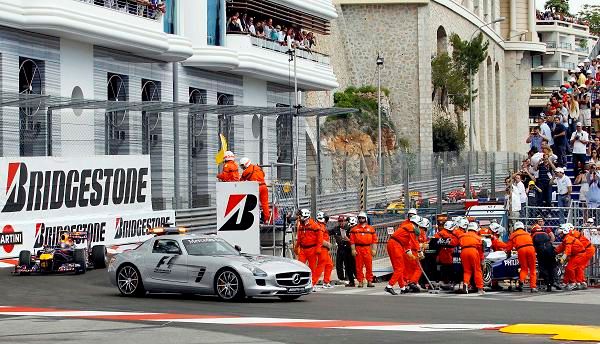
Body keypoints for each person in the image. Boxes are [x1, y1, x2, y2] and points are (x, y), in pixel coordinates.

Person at [504, 221, 538, 292]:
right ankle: (533, 287)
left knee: (524, 268)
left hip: (521, 250)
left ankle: (521, 282)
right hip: (531, 249)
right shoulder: (527, 234)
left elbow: (509, 247)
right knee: (532, 269)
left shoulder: (513, 235)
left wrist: (508, 254)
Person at [294, 209, 322, 291]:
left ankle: (312, 284)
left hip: (312, 249)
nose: (299, 217)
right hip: (303, 249)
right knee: (300, 266)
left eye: (300, 216)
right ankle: (300, 284)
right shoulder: (301, 226)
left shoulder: (314, 226)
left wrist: (318, 248)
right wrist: (296, 246)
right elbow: (299, 238)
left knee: (312, 267)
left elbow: (319, 238)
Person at [349, 211, 377, 288]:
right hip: (358, 248)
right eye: (360, 218)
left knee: (369, 265)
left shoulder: (371, 229)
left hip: (367, 248)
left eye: (362, 218)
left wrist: (374, 250)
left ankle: (369, 281)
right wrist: (353, 249)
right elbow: (352, 241)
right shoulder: (354, 229)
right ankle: (360, 281)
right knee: (359, 266)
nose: (361, 219)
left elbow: (374, 240)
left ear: (365, 219)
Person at [555, 223, 586, 290]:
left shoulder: (568, 238)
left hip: (579, 254)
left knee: (570, 268)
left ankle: (573, 283)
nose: (559, 235)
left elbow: (567, 250)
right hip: (576, 254)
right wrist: (553, 251)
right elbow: (561, 247)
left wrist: (563, 258)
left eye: (561, 233)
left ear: (564, 231)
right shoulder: (566, 238)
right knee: (569, 268)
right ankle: (571, 283)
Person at [239, 157, 270, 223]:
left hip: (256, 188)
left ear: (246, 164)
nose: (242, 168)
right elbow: (263, 175)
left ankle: (255, 219)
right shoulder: (258, 168)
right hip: (264, 186)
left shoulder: (246, 172)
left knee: (253, 203)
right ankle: (266, 219)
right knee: (265, 204)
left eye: (242, 166)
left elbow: (241, 180)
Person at [458, 222, 484, 295]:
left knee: (467, 270)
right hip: (473, 251)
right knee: (477, 270)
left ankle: (465, 283)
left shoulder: (461, 236)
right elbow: (480, 250)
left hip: (463, 251)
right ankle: (480, 288)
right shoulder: (478, 237)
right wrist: (482, 259)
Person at [531, 224, 559, 292]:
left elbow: (532, 245)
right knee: (552, 266)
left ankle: (548, 284)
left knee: (543, 268)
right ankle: (554, 281)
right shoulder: (545, 233)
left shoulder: (533, 235)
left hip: (541, 252)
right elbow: (551, 239)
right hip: (550, 250)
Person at [434, 220, 458, 287]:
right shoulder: (451, 235)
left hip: (440, 254)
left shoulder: (438, 234)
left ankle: (444, 280)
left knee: (444, 268)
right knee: (449, 268)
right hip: (447, 254)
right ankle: (447, 281)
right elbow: (455, 243)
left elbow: (433, 241)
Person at [571, 225, 595, 289]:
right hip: (587, 249)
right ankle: (581, 282)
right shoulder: (573, 234)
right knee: (579, 266)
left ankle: (580, 282)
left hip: (587, 249)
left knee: (579, 266)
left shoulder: (574, 233)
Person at [314, 211, 333, 289]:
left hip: (324, 248)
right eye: (325, 219)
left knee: (329, 265)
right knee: (320, 266)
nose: (326, 220)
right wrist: (328, 244)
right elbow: (319, 239)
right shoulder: (320, 226)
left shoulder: (320, 225)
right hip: (322, 248)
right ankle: (313, 283)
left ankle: (326, 282)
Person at [343, 217, 358, 287]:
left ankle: (359, 279)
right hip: (347, 249)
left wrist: (348, 239)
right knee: (348, 266)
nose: (349, 224)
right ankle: (351, 281)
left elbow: (356, 241)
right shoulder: (349, 229)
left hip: (353, 249)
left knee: (354, 265)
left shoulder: (356, 230)